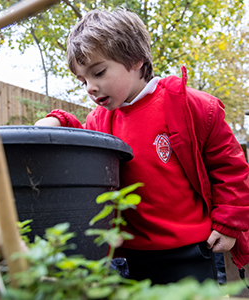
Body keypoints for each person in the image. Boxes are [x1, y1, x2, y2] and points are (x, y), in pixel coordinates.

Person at [35, 9, 249, 285]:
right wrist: (58, 121)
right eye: (83, 80)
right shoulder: (100, 120)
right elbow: (85, 148)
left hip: (191, 251)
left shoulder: (190, 106)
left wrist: (228, 224)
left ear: (135, 59)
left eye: (98, 72)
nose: (90, 87)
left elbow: (229, 168)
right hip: (129, 257)